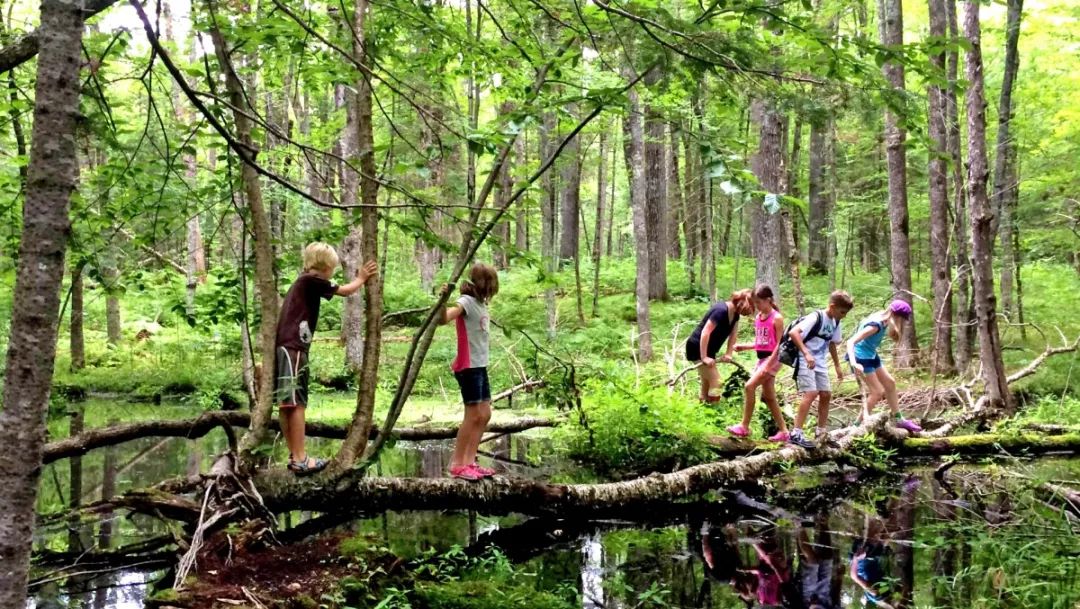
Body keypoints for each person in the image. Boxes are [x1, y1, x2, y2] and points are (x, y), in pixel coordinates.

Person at [275, 243, 378, 475]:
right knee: (296, 402)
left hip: (287, 346)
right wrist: (362, 278)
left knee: (287, 402)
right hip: (294, 348)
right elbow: (345, 290)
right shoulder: (311, 280)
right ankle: (301, 458)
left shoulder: (303, 282)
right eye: (332, 268)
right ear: (322, 267)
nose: (332, 273)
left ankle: (295, 456)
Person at [441, 263, 500, 481]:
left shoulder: (480, 303)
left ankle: (470, 461)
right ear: (483, 284)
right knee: (472, 415)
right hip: (468, 367)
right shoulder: (466, 302)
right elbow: (444, 318)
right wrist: (442, 301)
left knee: (485, 414)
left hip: (480, 366)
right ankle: (458, 464)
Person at [788, 291, 853, 449]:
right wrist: (806, 353)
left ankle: (821, 432)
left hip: (821, 362)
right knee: (811, 393)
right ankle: (796, 433)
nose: (843, 316)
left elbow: (831, 343)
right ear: (832, 306)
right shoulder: (816, 317)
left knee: (826, 394)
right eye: (842, 312)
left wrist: (837, 366)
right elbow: (793, 333)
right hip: (805, 359)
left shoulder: (836, 321)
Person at [846, 301, 922, 433]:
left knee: (890, 383)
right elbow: (851, 341)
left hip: (871, 354)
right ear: (895, 315)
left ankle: (899, 419)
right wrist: (853, 362)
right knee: (877, 392)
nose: (902, 322)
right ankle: (857, 425)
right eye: (901, 318)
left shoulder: (885, 318)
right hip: (860, 358)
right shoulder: (875, 325)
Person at [729, 285, 790, 442]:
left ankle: (744, 427)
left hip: (773, 359)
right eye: (754, 303)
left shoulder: (777, 318)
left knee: (749, 386)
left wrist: (770, 363)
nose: (756, 306)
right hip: (762, 359)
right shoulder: (758, 318)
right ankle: (784, 432)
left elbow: (779, 344)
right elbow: (762, 342)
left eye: (758, 303)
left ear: (768, 300)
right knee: (769, 397)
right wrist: (745, 347)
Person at [686, 289, 754, 404]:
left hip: (709, 350)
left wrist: (729, 353)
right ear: (742, 301)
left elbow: (733, 334)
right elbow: (705, 332)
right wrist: (704, 357)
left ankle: (703, 406)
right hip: (697, 347)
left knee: (707, 383)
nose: (750, 310)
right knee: (716, 382)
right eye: (751, 305)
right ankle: (714, 408)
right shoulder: (721, 310)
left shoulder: (736, 315)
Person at [796, 512, 836, 609]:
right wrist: (839, 579)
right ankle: (823, 521)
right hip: (824, 596)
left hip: (808, 598)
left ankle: (799, 525)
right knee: (827, 558)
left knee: (812, 562)